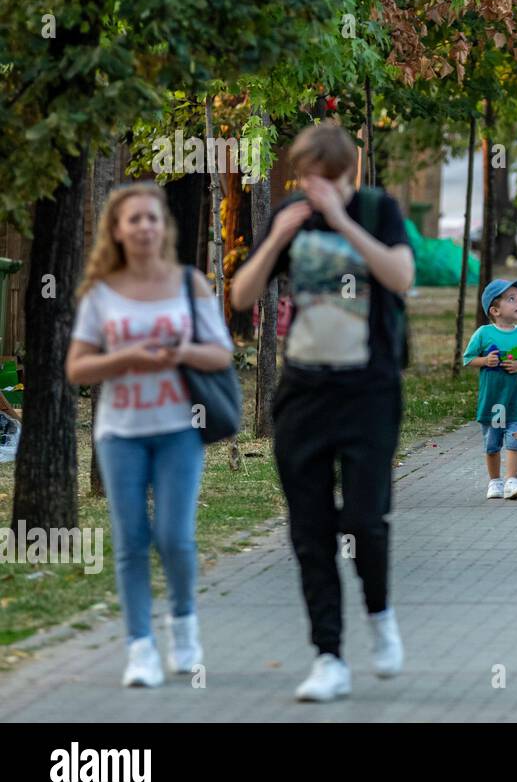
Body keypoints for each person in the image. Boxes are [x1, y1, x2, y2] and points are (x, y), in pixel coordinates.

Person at [231, 122, 414, 703]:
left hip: (369, 391)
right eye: (307, 175)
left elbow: (401, 277)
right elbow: (240, 295)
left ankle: (380, 617)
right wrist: (273, 239)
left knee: (364, 519)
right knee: (309, 531)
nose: (315, 186)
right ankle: (329, 656)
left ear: (345, 173)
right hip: (304, 393)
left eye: (325, 176)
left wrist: (342, 222)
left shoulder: (377, 210)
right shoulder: (290, 214)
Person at [67, 182, 234, 688]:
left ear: (164, 227)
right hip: (121, 434)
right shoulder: (100, 293)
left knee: (174, 538)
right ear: (116, 230)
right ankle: (139, 647)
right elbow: (77, 368)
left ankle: (183, 625)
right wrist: (127, 359)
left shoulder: (189, 284)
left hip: (179, 429)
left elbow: (221, 354)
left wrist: (180, 351)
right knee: (131, 540)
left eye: (151, 218)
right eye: (133, 219)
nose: (143, 226)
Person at [463, 279, 517, 496]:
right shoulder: (483, 334)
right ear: (495, 310)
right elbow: (468, 358)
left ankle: (512, 481)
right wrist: (485, 361)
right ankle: (495, 482)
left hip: (516, 401)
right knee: (492, 444)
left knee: (515, 440)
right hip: (494, 402)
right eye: (511, 299)